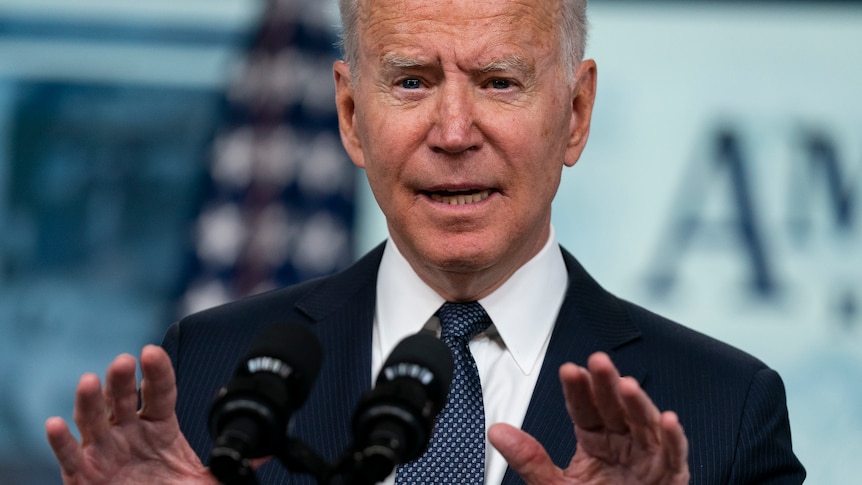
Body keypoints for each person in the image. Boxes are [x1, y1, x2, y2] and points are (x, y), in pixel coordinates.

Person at [45, 0, 806, 483]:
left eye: (499, 82)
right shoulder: (209, 370)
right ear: (349, 114)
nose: (452, 132)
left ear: (575, 113)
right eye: (410, 81)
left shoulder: (725, 411)